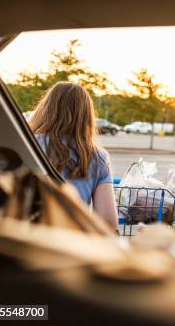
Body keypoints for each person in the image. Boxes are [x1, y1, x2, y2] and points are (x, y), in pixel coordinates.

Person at [30, 81, 118, 229]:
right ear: (86, 116)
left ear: (46, 109)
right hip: (72, 243)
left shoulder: (29, 143)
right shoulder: (98, 157)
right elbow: (108, 222)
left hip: (29, 240)